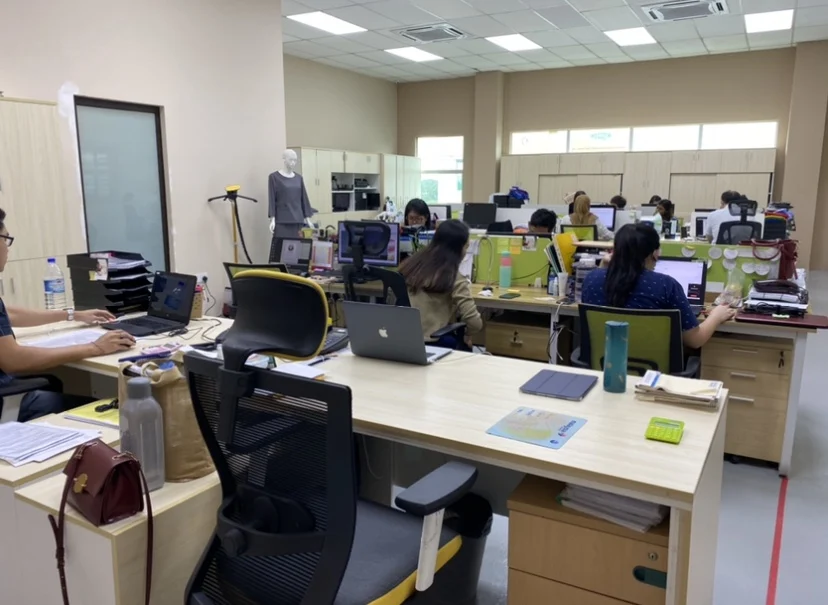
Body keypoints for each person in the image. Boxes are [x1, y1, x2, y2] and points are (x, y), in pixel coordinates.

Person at [0, 208, 136, 422]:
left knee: (53, 381)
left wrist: (72, 315)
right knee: (119, 413)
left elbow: (9, 313)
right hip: (6, 403)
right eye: (6, 239)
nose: (8, 249)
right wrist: (96, 347)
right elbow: (14, 360)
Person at [581, 223, 736, 349]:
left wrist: (604, 266)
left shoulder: (591, 279)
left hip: (605, 363)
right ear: (654, 253)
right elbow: (695, 340)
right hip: (651, 370)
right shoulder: (666, 285)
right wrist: (716, 316)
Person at [399, 219, 483, 345]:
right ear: (458, 249)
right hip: (434, 342)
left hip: (402, 339)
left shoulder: (411, 266)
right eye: (466, 247)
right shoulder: (454, 277)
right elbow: (475, 323)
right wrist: (467, 333)